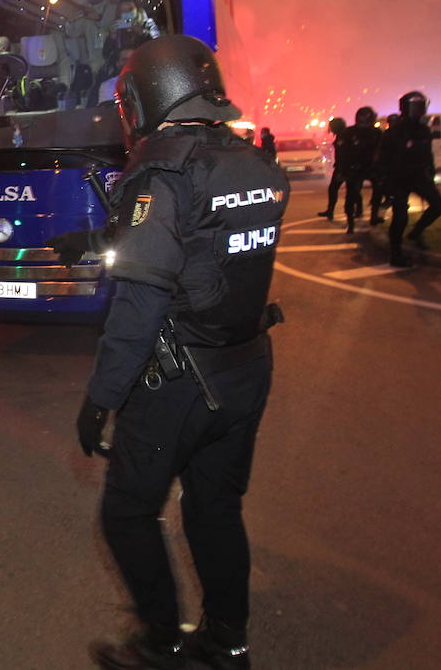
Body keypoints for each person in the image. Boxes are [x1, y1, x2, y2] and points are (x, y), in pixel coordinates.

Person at [77, 35, 287, 670]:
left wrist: (101, 398)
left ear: (145, 97)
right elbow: (203, 244)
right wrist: (88, 239)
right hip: (246, 367)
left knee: (127, 513)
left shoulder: (161, 170)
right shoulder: (251, 161)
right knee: (215, 507)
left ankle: (161, 642)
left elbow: (139, 306)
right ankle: (227, 642)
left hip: (181, 381)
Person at [376, 90, 441, 267]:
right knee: (400, 216)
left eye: (422, 106)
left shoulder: (424, 129)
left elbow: (427, 153)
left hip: (419, 175)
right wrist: (384, 180)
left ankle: (416, 233)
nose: (420, 110)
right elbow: (383, 157)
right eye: (416, 106)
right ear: (406, 108)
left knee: (438, 205)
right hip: (398, 177)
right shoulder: (395, 131)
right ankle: (396, 252)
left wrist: (431, 169)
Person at [341, 106, 384, 231]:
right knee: (351, 195)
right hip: (354, 167)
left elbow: (382, 151)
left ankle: (374, 216)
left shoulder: (377, 133)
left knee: (378, 192)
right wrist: (343, 170)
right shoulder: (349, 133)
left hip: (372, 167)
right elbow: (343, 152)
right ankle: (351, 222)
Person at [316, 117, 347, 220]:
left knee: (336, 189)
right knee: (351, 189)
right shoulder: (342, 135)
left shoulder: (343, 136)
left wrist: (341, 169)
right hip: (343, 166)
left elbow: (344, 154)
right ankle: (330, 210)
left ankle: (331, 210)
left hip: (344, 167)